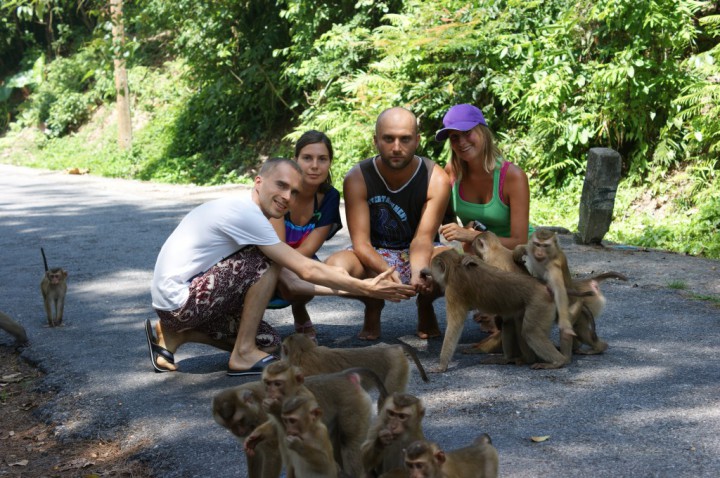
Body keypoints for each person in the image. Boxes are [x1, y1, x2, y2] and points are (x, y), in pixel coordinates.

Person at [147, 158, 415, 376]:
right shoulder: (245, 214)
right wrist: (364, 286)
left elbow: (293, 282)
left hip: (179, 306)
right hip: (181, 301)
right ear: (259, 182)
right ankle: (241, 355)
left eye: (293, 191)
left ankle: (173, 333)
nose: (287, 196)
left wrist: (356, 291)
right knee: (264, 263)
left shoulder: (253, 219)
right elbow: (305, 269)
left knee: (269, 343)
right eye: (281, 186)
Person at [323, 107, 452, 341]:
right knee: (335, 266)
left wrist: (419, 274)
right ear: (375, 141)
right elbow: (361, 244)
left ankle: (425, 303)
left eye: (405, 139)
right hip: (374, 253)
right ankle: (372, 304)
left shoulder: (436, 178)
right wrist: (385, 274)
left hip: (422, 253)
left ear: (417, 141)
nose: (396, 147)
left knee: (453, 264)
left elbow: (423, 239)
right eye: (388, 138)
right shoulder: (357, 177)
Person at [269, 130, 343, 341]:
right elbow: (277, 246)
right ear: (295, 160)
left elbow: (309, 249)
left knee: (306, 280)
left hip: (299, 258)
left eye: (322, 159)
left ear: (330, 163)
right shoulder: (281, 190)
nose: (314, 166)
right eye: (307, 158)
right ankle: (247, 321)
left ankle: (299, 309)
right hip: (267, 256)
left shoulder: (329, 196)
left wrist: (300, 274)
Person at [436, 103, 532, 251]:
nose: (461, 142)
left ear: (483, 131)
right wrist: (463, 233)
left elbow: (520, 242)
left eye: (467, 132)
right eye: (454, 137)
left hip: (516, 255)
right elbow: (445, 217)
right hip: (477, 253)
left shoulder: (513, 177)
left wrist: (470, 236)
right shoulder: (452, 171)